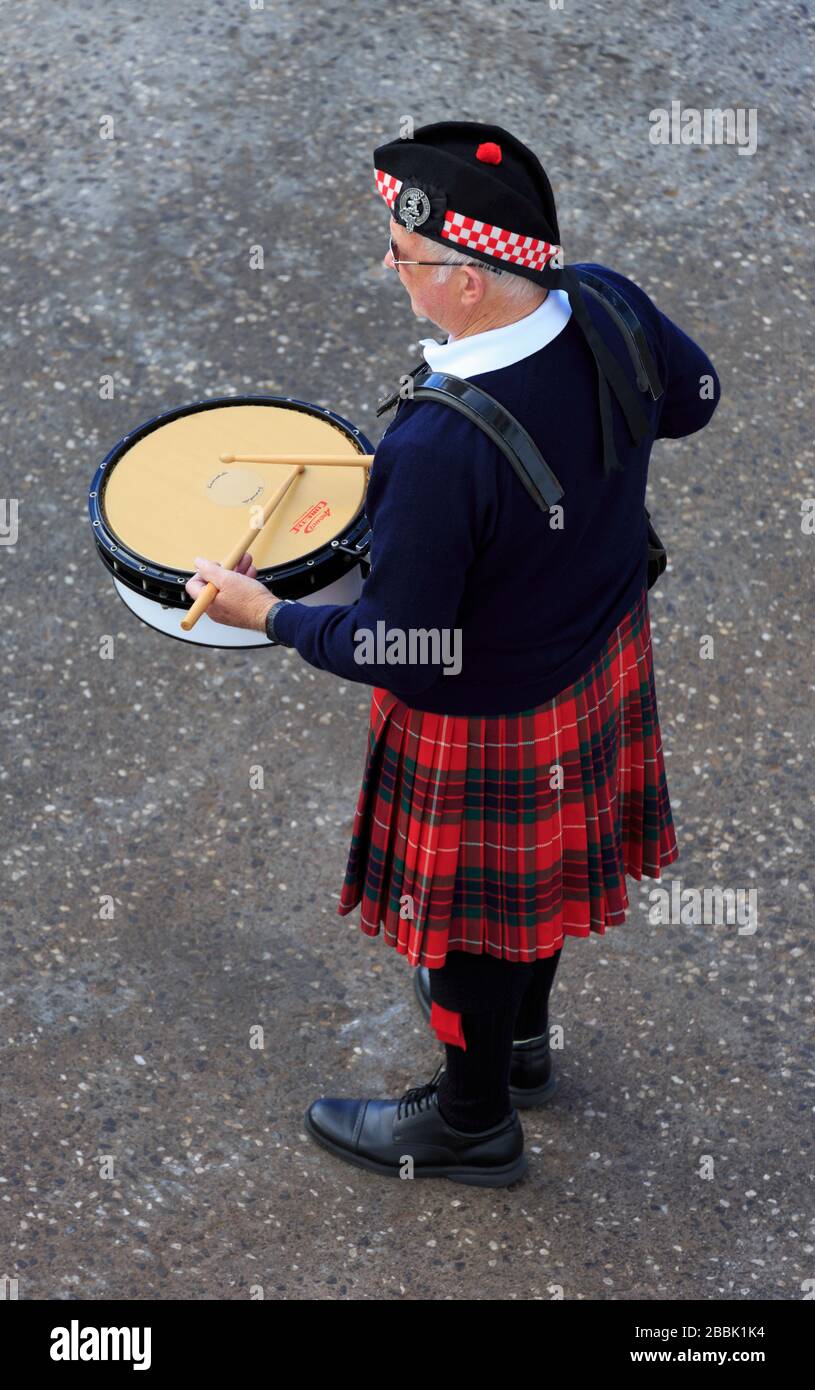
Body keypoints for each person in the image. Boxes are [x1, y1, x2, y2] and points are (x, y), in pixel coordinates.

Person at [186, 120, 721, 1187]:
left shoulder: (439, 443)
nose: (391, 265)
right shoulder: (604, 297)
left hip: (490, 712)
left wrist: (267, 614)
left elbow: (403, 646)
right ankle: (518, 1047)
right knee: (533, 894)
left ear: (471, 282)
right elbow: (693, 399)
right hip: (596, 647)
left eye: (405, 252)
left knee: (470, 929)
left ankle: (472, 1118)